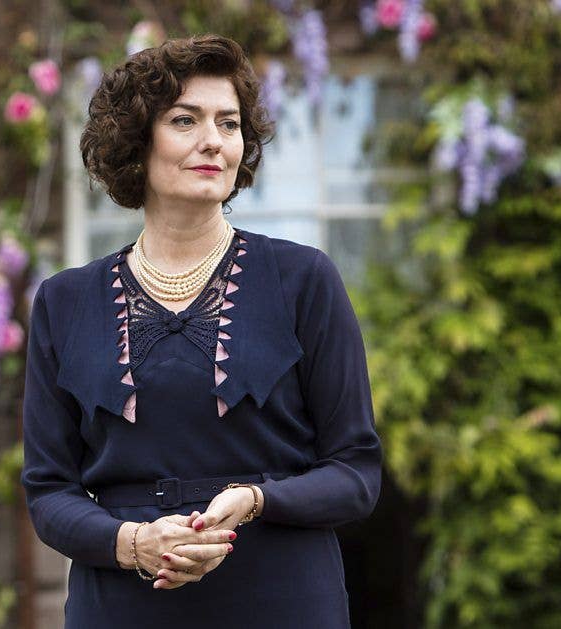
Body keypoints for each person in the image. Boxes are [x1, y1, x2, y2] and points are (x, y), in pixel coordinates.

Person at [20, 33, 382, 628]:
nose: (213, 140)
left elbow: (355, 473)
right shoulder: (64, 302)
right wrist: (134, 543)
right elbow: (48, 491)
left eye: (229, 123)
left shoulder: (304, 280)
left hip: (281, 598)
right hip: (124, 605)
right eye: (185, 120)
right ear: (137, 140)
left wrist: (257, 499)